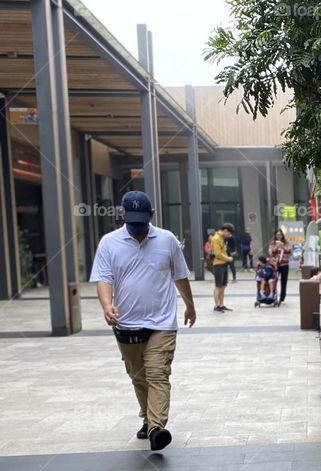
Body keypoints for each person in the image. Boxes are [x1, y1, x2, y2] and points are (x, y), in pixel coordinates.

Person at [90, 190, 196, 452]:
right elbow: (104, 279)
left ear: (152, 214)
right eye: (132, 223)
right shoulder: (109, 243)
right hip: (126, 324)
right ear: (122, 215)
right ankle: (148, 419)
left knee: (158, 374)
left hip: (162, 322)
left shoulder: (167, 240)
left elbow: (180, 275)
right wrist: (107, 306)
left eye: (142, 222)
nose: (137, 229)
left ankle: (157, 428)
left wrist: (190, 306)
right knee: (138, 376)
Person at [208, 222, 234, 313]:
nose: (229, 235)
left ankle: (221, 304)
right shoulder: (216, 239)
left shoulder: (222, 238)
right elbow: (218, 254)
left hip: (224, 264)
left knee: (223, 286)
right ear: (225, 230)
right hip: (218, 265)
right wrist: (228, 258)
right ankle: (216, 306)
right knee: (218, 286)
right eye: (229, 233)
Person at [268, 228, 293, 304]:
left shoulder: (286, 242)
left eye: (280, 234)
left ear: (282, 235)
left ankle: (282, 297)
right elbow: (270, 253)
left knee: (284, 281)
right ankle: (273, 295)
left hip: (284, 264)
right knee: (274, 280)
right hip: (275, 264)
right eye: (277, 234)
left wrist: (283, 246)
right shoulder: (273, 243)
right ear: (275, 235)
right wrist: (276, 247)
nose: (279, 236)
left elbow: (290, 251)